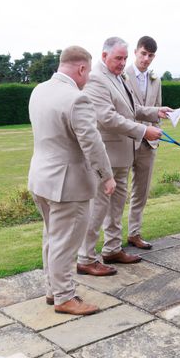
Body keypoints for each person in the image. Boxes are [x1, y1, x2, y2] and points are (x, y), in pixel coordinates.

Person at [28, 46, 116, 315]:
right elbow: (92, 143)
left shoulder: (39, 90)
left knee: (51, 237)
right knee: (65, 243)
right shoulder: (77, 99)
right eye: (87, 72)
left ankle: (52, 289)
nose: (87, 78)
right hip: (69, 184)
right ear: (81, 68)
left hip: (40, 179)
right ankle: (65, 297)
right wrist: (107, 177)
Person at [77, 37, 171, 271]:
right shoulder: (96, 79)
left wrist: (155, 111)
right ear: (104, 55)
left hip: (123, 156)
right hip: (106, 157)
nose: (122, 63)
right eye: (118, 58)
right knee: (98, 208)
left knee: (117, 206)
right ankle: (85, 258)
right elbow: (107, 117)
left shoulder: (119, 77)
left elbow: (132, 109)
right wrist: (143, 131)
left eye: (125, 58)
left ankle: (112, 249)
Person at [124, 36, 162, 249]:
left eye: (150, 55)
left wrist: (158, 133)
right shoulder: (122, 75)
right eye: (143, 54)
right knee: (118, 192)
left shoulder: (157, 79)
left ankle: (134, 233)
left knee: (142, 191)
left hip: (149, 145)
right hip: (125, 141)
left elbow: (156, 109)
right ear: (136, 52)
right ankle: (111, 240)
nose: (146, 59)